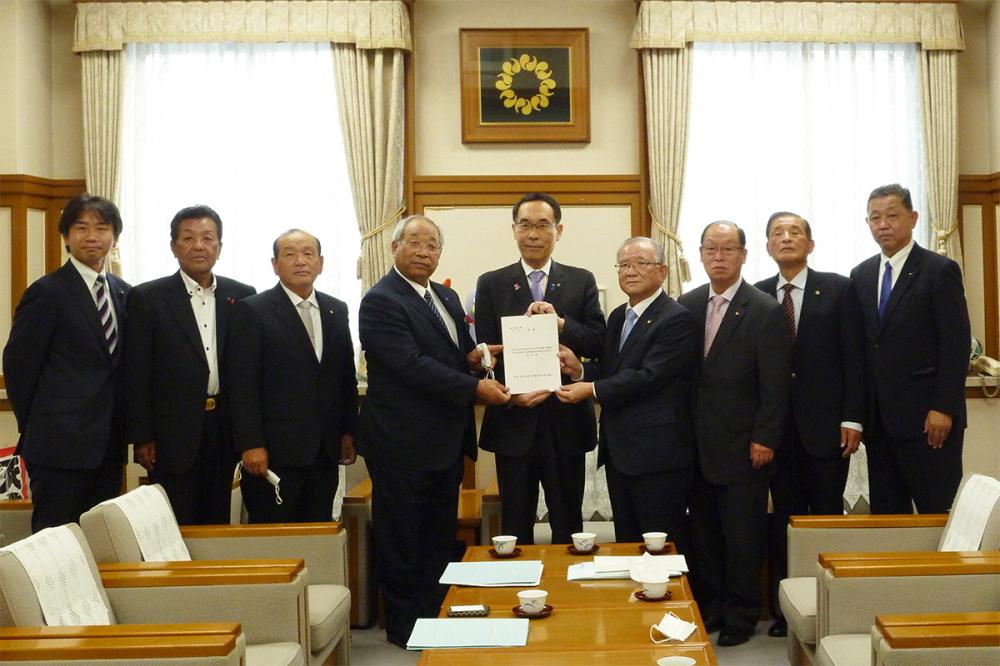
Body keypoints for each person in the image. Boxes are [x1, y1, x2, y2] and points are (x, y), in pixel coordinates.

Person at [358, 215, 509, 647]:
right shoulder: (381, 300)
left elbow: (451, 355)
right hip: (401, 442)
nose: (424, 252)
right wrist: (474, 386)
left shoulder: (443, 294)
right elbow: (408, 364)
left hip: (444, 441)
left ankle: (435, 610)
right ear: (394, 248)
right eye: (415, 244)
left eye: (432, 246)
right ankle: (405, 626)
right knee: (402, 535)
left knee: (437, 536)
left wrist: (476, 359)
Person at [677, 221, 790, 647]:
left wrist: (765, 437)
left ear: (744, 255)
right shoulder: (685, 305)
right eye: (711, 249)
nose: (719, 257)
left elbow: (775, 384)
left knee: (743, 536)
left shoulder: (763, 309)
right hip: (696, 446)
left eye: (728, 249)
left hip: (745, 446)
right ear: (701, 254)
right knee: (704, 535)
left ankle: (742, 615)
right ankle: (713, 606)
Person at [754, 211, 865, 637]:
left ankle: (830, 606)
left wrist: (853, 417)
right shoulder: (760, 295)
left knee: (825, 519)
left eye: (795, 232)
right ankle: (788, 610)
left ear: (810, 244)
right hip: (776, 432)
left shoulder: (838, 289)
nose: (786, 239)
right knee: (786, 521)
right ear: (767, 247)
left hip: (827, 429)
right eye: (777, 234)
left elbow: (854, 358)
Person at [475, 192, 606, 545]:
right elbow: (485, 352)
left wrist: (563, 324)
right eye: (525, 225)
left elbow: (598, 341)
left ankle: (568, 596)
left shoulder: (581, 280)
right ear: (514, 230)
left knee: (568, 525)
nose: (533, 234)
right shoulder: (492, 282)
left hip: (565, 417)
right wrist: (509, 394)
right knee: (515, 526)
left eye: (543, 225)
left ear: (558, 230)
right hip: (515, 419)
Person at [555, 237, 697, 555]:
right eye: (623, 264)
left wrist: (589, 389)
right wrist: (579, 371)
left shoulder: (676, 318)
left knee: (661, 546)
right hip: (620, 453)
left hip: (659, 456)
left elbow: (649, 376)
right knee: (628, 546)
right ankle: (636, 604)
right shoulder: (619, 316)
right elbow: (612, 369)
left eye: (640, 263)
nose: (630, 271)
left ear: (662, 271)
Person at [3, 193, 131, 532]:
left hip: (108, 443)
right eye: (81, 227)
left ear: (114, 238)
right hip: (58, 445)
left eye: (102, 228)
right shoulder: (47, 292)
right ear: (65, 237)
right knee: (55, 536)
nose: (92, 236)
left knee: (98, 537)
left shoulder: (123, 292)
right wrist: (38, 424)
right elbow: (18, 365)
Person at [125, 205, 256, 525]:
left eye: (208, 238)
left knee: (217, 519)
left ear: (219, 247)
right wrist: (142, 436)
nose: (199, 245)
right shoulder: (148, 298)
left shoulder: (241, 296)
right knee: (173, 523)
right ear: (173, 246)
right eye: (188, 238)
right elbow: (136, 371)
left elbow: (247, 372)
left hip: (223, 429)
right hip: (171, 435)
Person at [850, 184, 970, 514]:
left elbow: (955, 344)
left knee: (938, 512)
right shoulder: (860, 275)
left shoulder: (938, 270)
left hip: (929, 423)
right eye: (875, 217)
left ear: (913, 218)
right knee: (890, 519)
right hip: (881, 426)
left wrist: (943, 407)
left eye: (892, 215)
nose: (883, 224)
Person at [226, 229, 357, 523]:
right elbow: (242, 384)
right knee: (275, 542)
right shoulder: (254, 310)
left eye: (308, 253)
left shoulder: (336, 309)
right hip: (274, 454)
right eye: (290, 254)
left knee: (319, 536)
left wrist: (348, 431)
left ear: (321, 263)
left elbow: (344, 376)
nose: (301, 261)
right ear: (275, 264)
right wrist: (250, 444)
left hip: (324, 452)